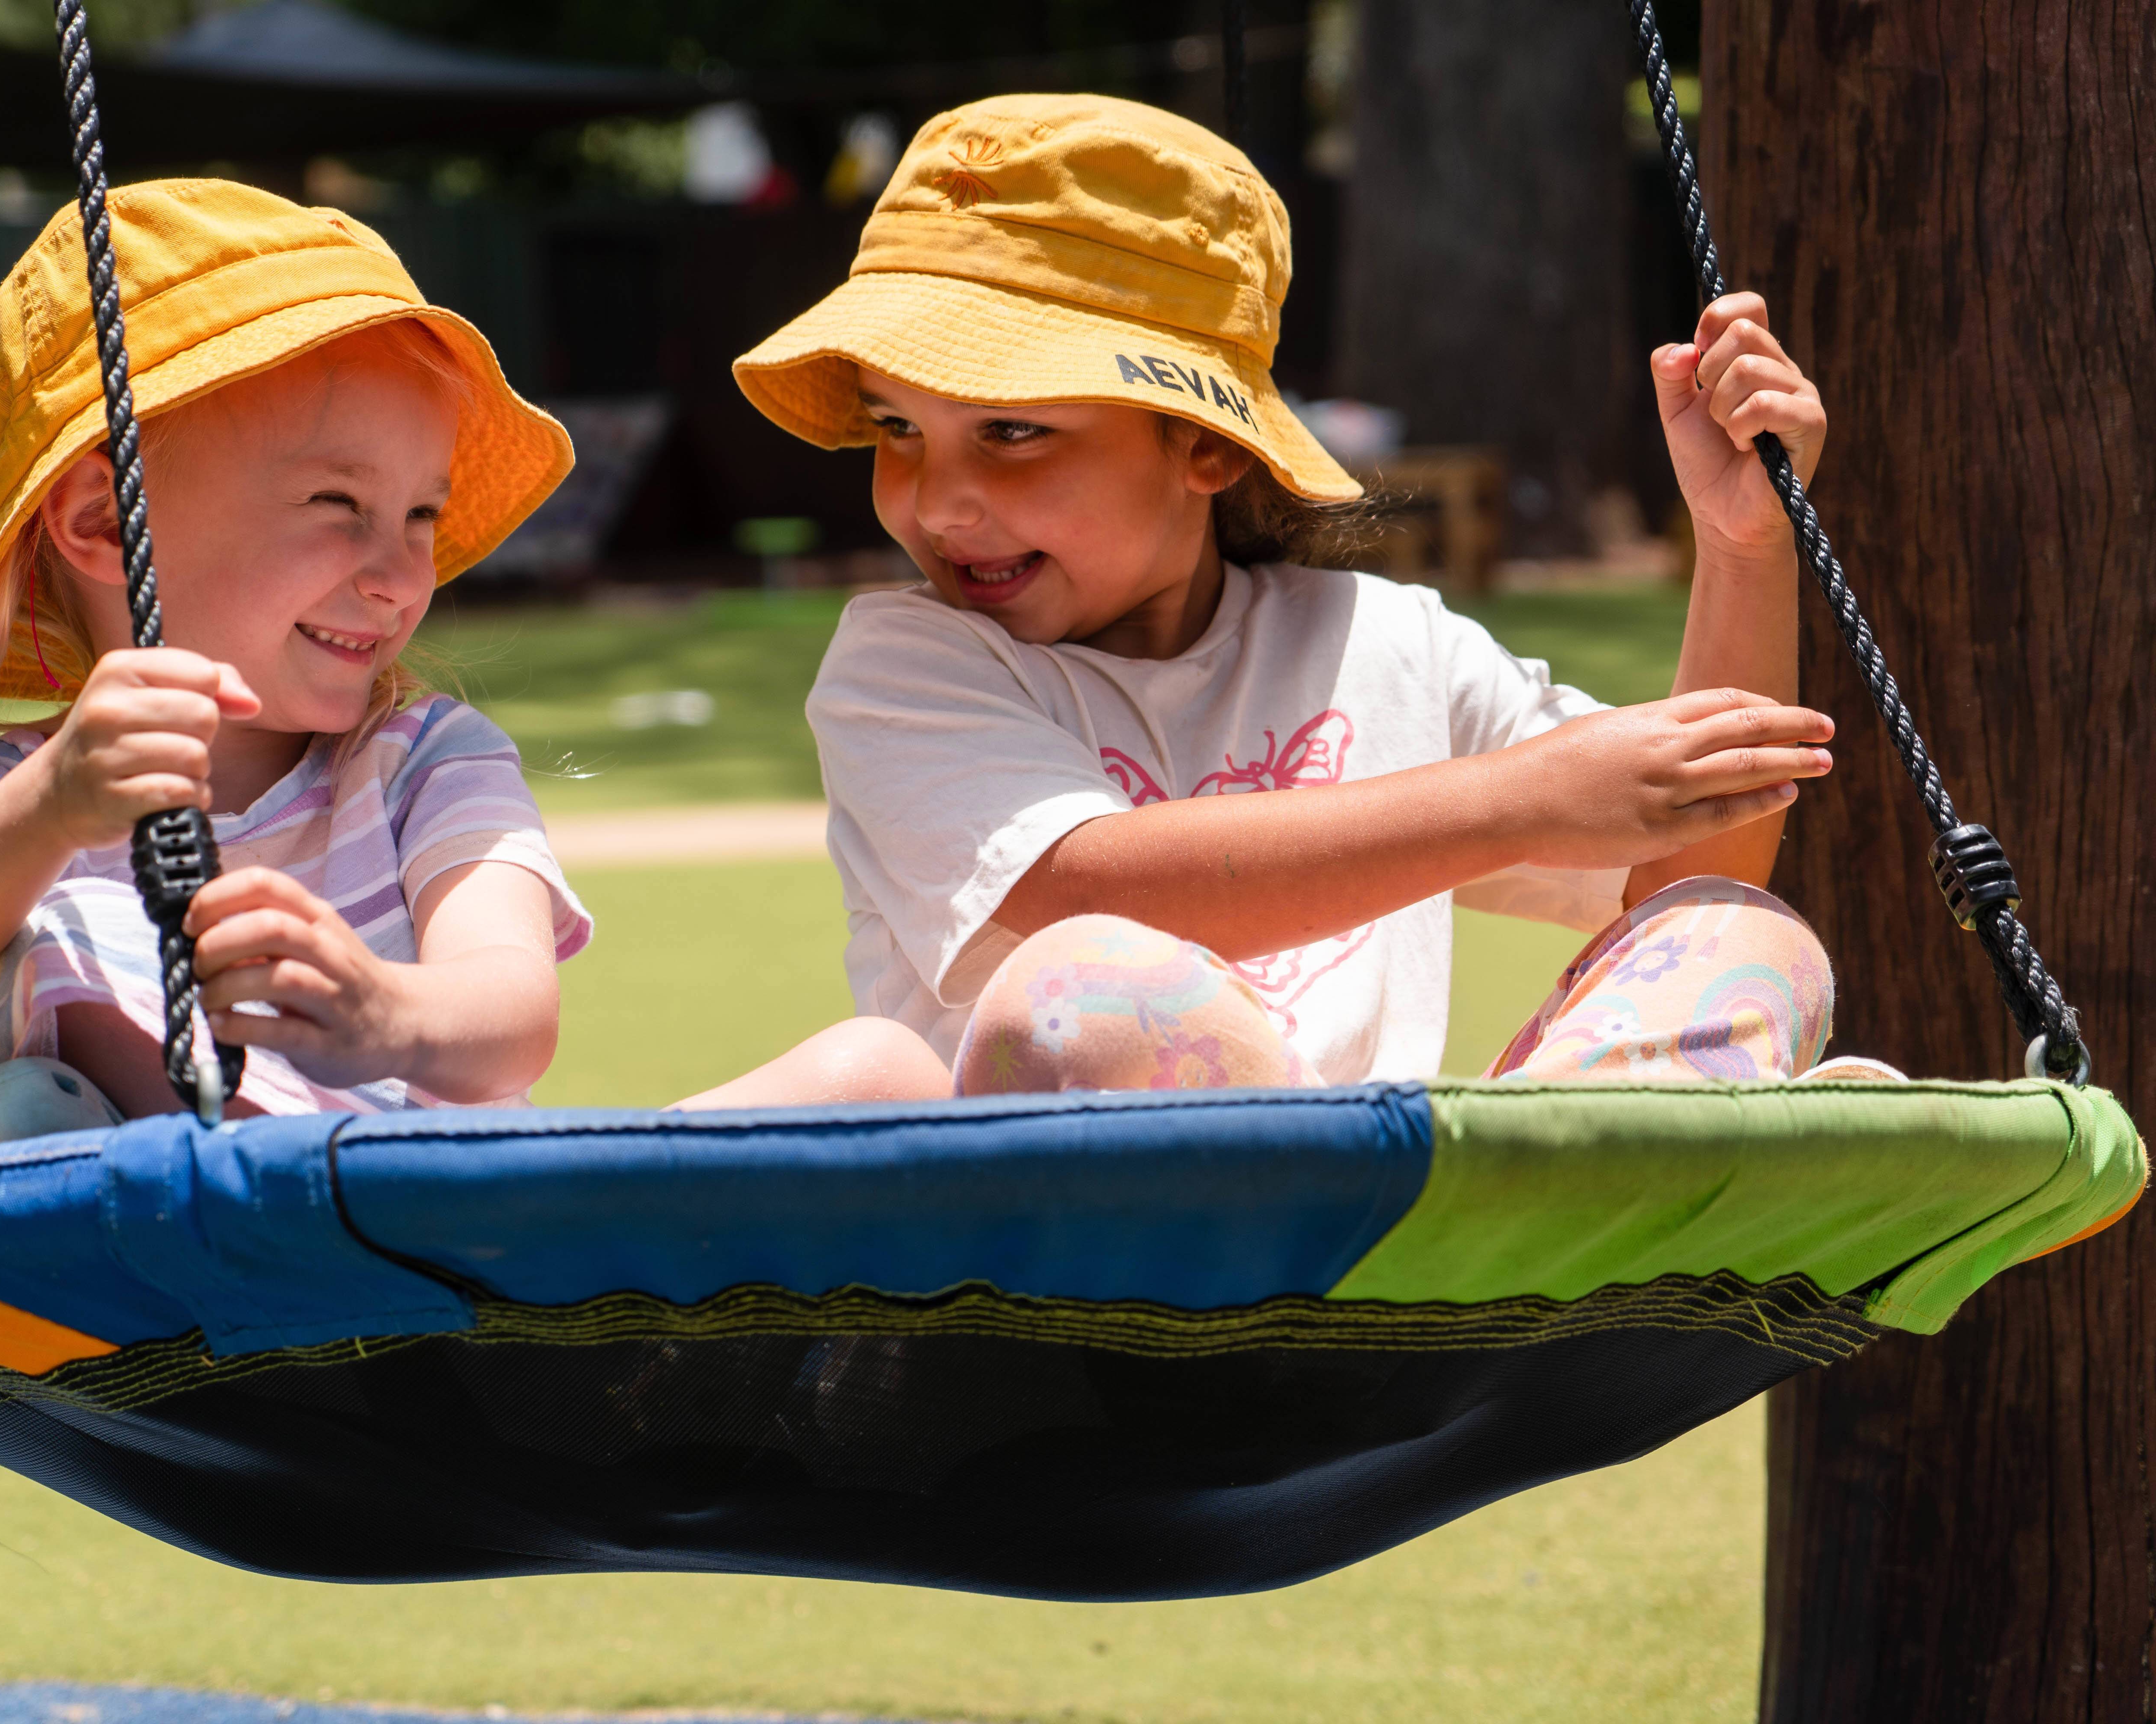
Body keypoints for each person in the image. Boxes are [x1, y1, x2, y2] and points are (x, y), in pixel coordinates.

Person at [699, 92, 1874, 1106]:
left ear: (1208, 448)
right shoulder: (909, 661)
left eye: (1010, 432)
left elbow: (1682, 865)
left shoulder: (1388, 643)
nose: (937, 501)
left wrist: (1742, 545)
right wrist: (1520, 802)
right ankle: (1636, 1177)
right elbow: (1093, 886)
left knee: (1741, 935)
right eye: (899, 430)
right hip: (1076, 1252)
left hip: (1387, 1230)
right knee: (1091, 987)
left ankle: (1549, 1206)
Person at [0, 180, 590, 1151]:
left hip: (413, 1198)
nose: (405, 574)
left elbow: (514, 1016)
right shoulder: (26, 794)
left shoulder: (424, 761)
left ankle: (292, 1184)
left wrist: (385, 1016)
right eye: (337, 501)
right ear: (106, 522)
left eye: (422, 514)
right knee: (68, 941)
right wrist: (54, 804)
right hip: (127, 1241)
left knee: (854, 1069)